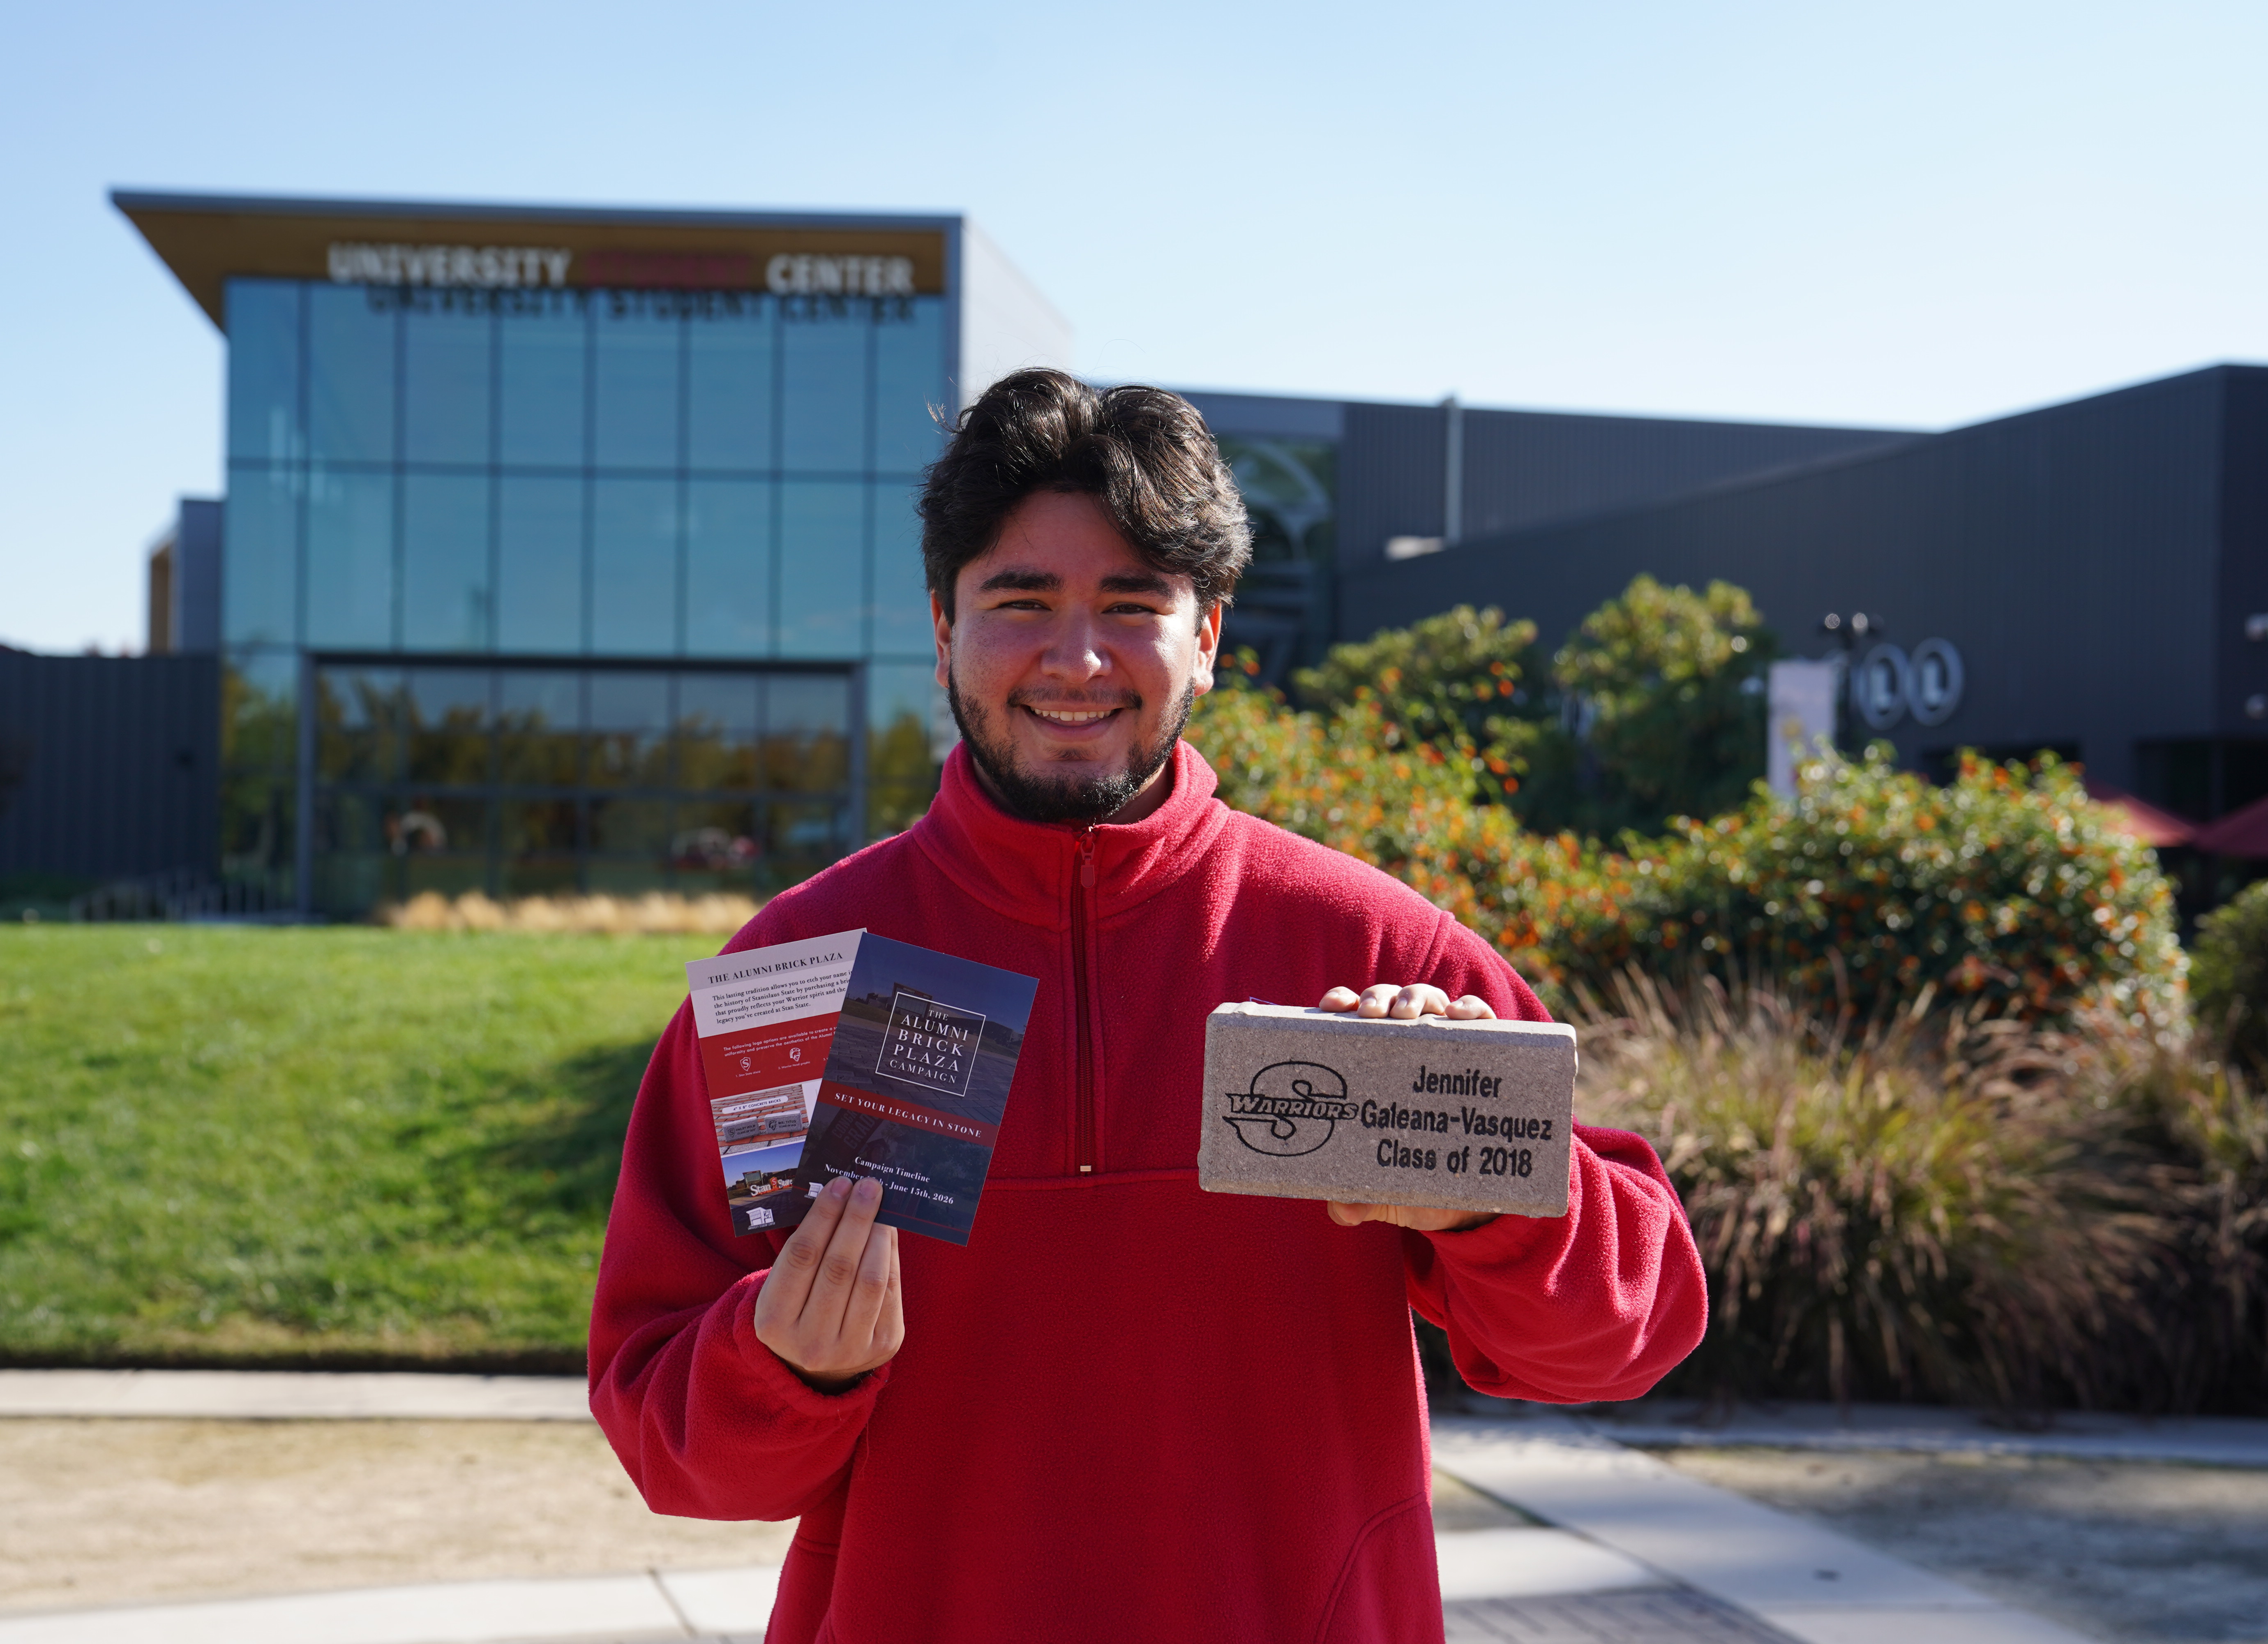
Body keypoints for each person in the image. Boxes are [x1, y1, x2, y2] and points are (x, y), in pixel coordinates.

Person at [588, 369, 1706, 1643]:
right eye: (1021, 603)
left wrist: (1486, 1200)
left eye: (1133, 605)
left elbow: (1630, 1335)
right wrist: (784, 1365)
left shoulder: (1375, 951)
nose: (1077, 659)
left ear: (1211, 638)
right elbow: (675, 1446)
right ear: (944, 631)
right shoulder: (803, 972)